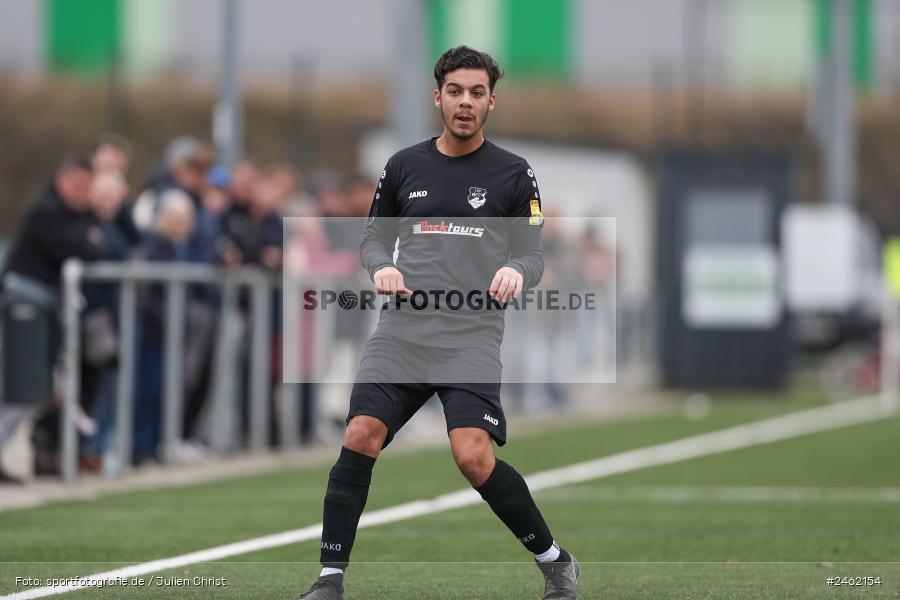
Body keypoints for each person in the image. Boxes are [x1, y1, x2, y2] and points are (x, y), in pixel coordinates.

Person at [296, 46, 578, 600]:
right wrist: (381, 268)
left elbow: (535, 256)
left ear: (491, 102)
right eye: (456, 91)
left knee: (473, 456)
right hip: (402, 330)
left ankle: (555, 561)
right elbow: (374, 240)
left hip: (471, 332)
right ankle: (329, 580)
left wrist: (517, 270)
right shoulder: (403, 166)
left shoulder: (514, 174)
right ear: (438, 97)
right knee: (360, 434)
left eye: (477, 93)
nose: (465, 102)